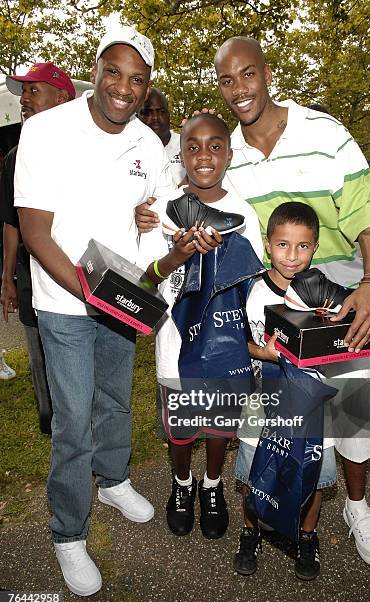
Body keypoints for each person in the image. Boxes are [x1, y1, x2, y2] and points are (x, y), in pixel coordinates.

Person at [137, 36, 370, 567]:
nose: (238, 89)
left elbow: (367, 208)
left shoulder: (324, 132)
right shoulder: (231, 151)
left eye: (246, 75)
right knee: (285, 417)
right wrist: (147, 210)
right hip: (263, 302)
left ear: (267, 73)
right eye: (226, 80)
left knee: (354, 414)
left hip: (334, 293)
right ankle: (274, 503)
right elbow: (189, 183)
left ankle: (359, 508)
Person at [14, 26, 176, 597]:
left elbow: (153, 218)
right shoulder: (45, 130)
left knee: (114, 400)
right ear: (96, 69)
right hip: (64, 301)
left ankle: (113, 479)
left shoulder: (150, 146)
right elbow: (34, 231)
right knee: (73, 418)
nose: (123, 88)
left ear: (147, 87)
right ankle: (67, 533)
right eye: (114, 72)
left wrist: (152, 263)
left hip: (122, 296)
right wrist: (89, 294)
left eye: (136, 80)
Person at [137, 113, 263, 540]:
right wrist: (179, 254)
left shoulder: (244, 211)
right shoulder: (160, 211)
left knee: (219, 421)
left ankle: (211, 484)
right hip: (176, 342)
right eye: (193, 147)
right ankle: (182, 483)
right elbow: (145, 280)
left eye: (214, 146)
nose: (204, 155)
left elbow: (257, 283)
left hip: (226, 343)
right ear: (181, 154)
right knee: (181, 424)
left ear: (229, 153)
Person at [235, 201, 336, 580]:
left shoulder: (326, 294)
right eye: (282, 245)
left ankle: (306, 536)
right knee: (253, 470)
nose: (292, 256)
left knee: (313, 476)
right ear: (267, 244)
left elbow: (345, 341)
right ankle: (251, 530)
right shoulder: (252, 290)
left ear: (315, 247)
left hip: (312, 405)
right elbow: (236, 341)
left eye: (303, 246)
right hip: (264, 401)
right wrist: (265, 352)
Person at [0, 62, 76, 433]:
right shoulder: (16, 157)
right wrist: (8, 278)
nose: (24, 100)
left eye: (33, 90)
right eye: (23, 93)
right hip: (33, 283)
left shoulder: (88, 151)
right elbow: (11, 221)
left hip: (84, 282)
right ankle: (55, 425)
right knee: (41, 361)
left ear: (62, 98)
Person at [139, 87, 186, 184]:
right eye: (148, 113)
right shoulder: (130, 148)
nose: (155, 117)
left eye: (161, 112)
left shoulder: (186, 145)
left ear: (168, 115)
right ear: (138, 117)